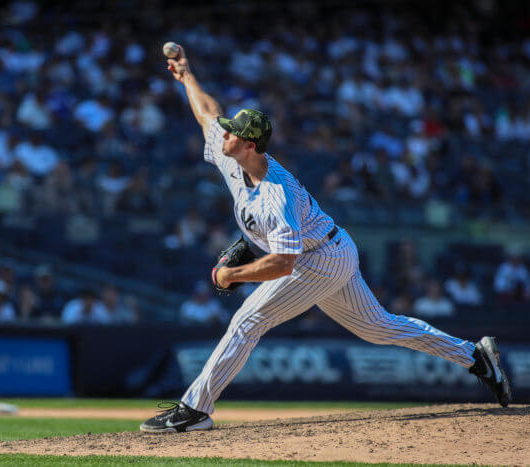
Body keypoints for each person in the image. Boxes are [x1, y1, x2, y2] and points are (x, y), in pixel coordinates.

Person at [140, 44, 511, 433]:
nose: (225, 134)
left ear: (250, 145)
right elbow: (206, 113)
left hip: (317, 259)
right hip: (334, 247)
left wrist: (232, 276)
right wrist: (186, 75)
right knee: (379, 327)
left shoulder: (275, 192)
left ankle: (195, 409)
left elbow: (284, 263)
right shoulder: (233, 156)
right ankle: (475, 355)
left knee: (247, 321)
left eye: (234, 133)